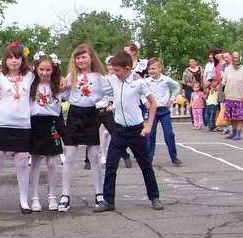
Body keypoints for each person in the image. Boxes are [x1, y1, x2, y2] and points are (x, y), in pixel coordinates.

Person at [94, 52, 162, 213]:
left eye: (117, 70)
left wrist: (149, 126)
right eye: (113, 70)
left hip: (136, 130)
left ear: (127, 68)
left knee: (146, 165)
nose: (114, 73)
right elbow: (99, 82)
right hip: (119, 130)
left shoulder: (139, 83)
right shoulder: (113, 80)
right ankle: (108, 200)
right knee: (111, 165)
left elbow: (153, 103)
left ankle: (154, 197)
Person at [0, 42, 36, 214]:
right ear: (5, 60)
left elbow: (49, 73)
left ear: (22, 59)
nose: (14, 61)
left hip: (23, 125)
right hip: (2, 123)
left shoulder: (30, 76)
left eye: (17, 57)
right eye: (10, 58)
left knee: (22, 163)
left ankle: (23, 200)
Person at [60, 44, 112, 211]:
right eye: (78, 57)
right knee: (69, 156)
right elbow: (63, 93)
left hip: (90, 115)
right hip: (74, 115)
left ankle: (99, 194)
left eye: (84, 57)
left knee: (94, 156)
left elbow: (113, 91)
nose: (81, 60)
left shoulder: (99, 78)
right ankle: (65, 195)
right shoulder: (71, 76)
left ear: (91, 58)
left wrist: (110, 104)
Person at [27, 53, 65, 212]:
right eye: (41, 69)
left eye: (48, 69)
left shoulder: (58, 85)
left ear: (53, 69)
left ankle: (53, 196)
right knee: (35, 161)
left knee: (51, 162)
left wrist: (62, 78)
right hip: (35, 123)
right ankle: (34, 197)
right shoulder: (31, 83)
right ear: (36, 69)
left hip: (52, 123)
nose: (44, 73)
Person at [144, 57, 182, 166]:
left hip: (164, 110)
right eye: (149, 69)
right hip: (153, 111)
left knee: (169, 134)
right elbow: (141, 92)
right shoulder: (146, 81)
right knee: (150, 135)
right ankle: (148, 159)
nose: (151, 71)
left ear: (160, 68)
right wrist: (145, 101)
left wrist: (171, 99)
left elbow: (176, 87)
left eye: (153, 69)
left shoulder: (166, 80)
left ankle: (174, 157)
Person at [220, 51, 243, 140]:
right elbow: (223, 83)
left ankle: (238, 133)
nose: (235, 60)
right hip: (229, 96)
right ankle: (233, 132)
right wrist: (223, 94)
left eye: (236, 58)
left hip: (239, 96)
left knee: (239, 117)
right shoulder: (227, 69)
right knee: (232, 116)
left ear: (240, 59)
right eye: (233, 58)